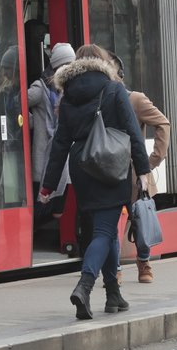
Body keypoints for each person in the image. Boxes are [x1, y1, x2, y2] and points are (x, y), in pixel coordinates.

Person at [39, 45, 150, 319]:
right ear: (103, 63)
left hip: (82, 166)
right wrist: (143, 171)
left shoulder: (67, 96)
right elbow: (133, 132)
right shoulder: (113, 90)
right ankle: (84, 286)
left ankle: (113, 293)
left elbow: (60, 144)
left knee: (105, 229)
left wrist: (49, 185)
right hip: (110, 163)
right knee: (103, 231)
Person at [115, 55, 171, 284]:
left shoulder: (135, 100)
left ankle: (144, 262)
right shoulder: (99, 100)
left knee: (141, 217)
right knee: (109, 222)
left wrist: (153, 160)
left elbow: (163, 123)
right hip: (109, 171)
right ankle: (114, 268)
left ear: (119, 76)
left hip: (135, 172)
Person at [28, 42, 75, 228]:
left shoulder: (66, 88)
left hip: (62, 156)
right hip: (45, 155)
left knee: (58, 202)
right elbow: (17, 104)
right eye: (66, 65)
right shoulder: (41, 88)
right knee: (42, 201)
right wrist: (30, 121)